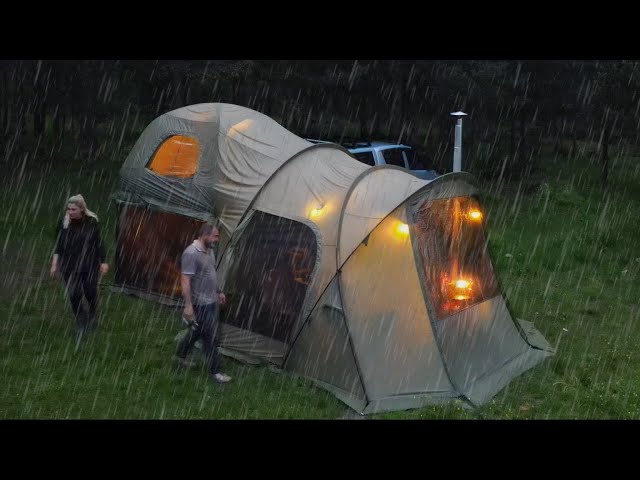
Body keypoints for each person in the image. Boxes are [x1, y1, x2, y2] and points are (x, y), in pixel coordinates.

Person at [175, 223, 231, 383]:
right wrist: (188, 305)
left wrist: (218, 291)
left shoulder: (210, 251)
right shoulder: (191, 253)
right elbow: (185, 280)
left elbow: (210, 274)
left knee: (197, 331)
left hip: (211, 300)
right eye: (215, 236)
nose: (217, 240)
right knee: (210, 336)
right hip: (200, 302)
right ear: (204, 235)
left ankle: (180, 355)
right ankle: (216, 371)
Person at [50, 194, 109, 344]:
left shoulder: (91, 222)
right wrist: (54, 264)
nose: (70, 212)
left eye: (73, 209)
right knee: (74, 294)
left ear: (82, 209)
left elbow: (98, 243)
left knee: (90, 292)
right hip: (69, 266)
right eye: (68, 209)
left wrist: (103, 261)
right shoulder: (64, 223)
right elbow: (58, 245)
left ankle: (93, 315)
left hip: (89, 264)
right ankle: (80, 323)